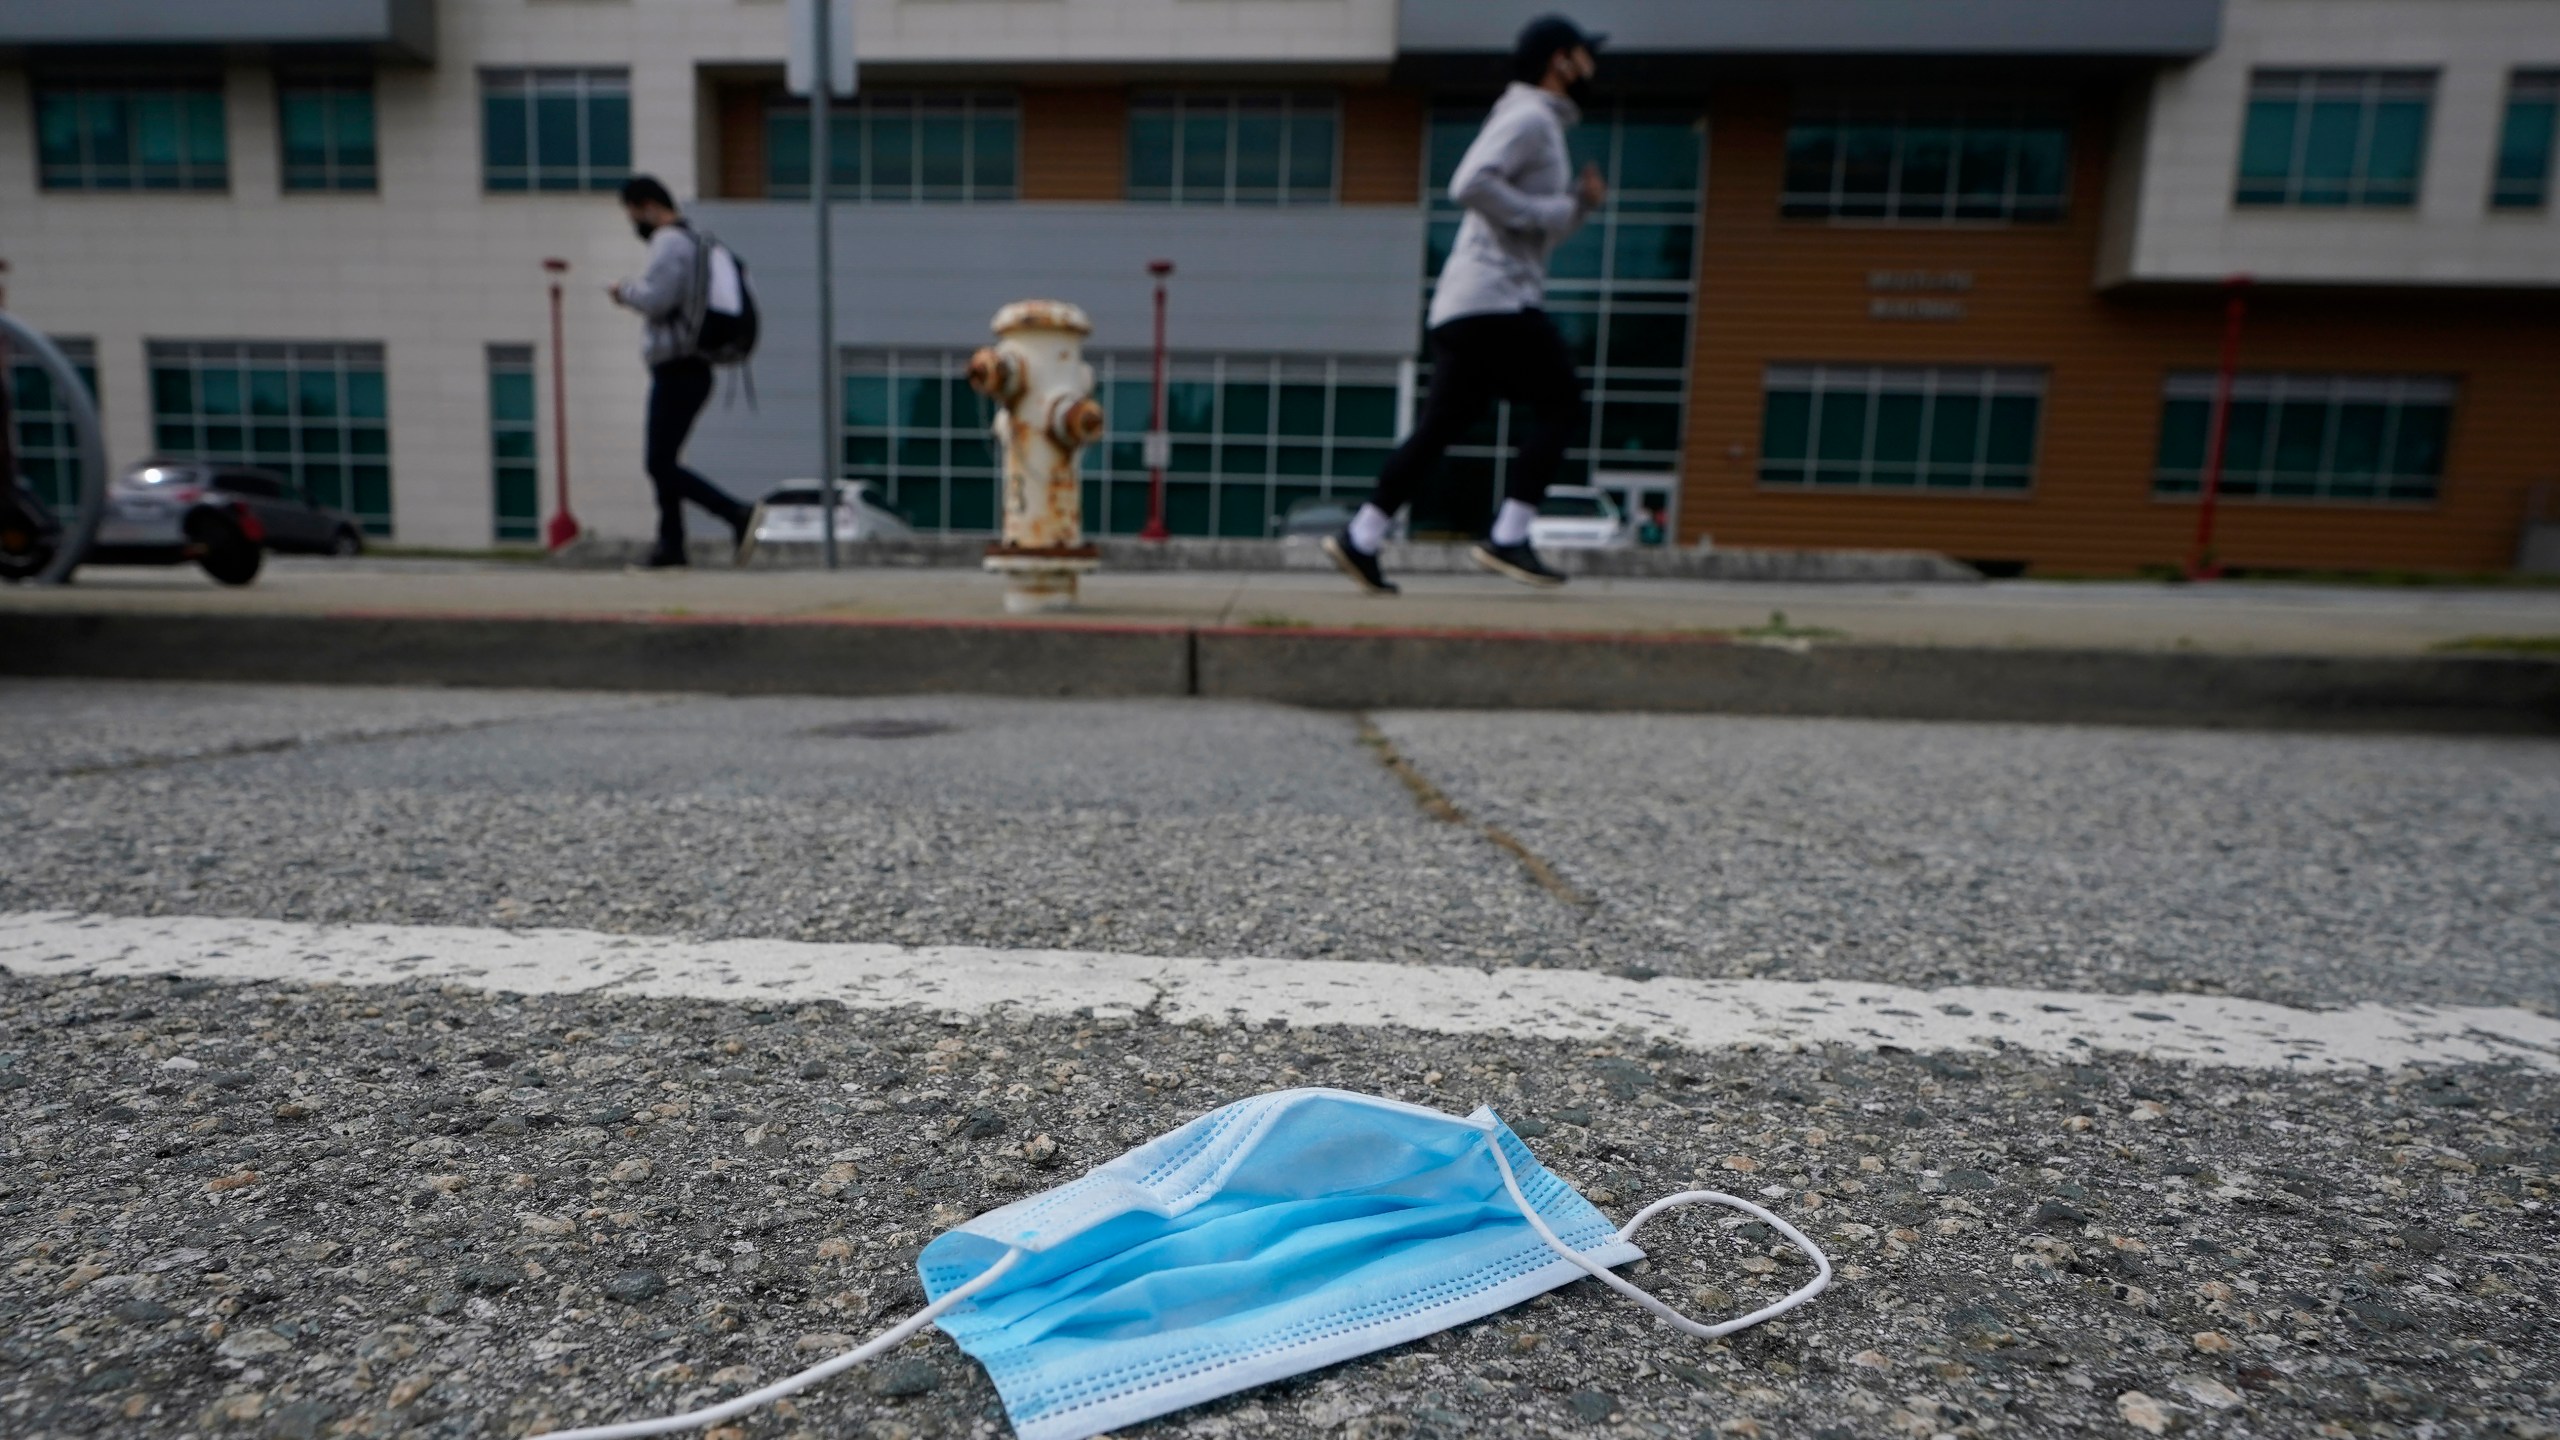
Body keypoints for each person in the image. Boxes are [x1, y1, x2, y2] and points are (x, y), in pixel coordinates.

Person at [1325, 14, 1605, 597]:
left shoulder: (1538, 122)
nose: (1592, 67)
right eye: (1584, 56)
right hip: (1495, 300)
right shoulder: (1529, 117)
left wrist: (1577, 206)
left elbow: (1536, 228)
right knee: (1561, 402)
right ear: (1560, 60)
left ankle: (1362, 535)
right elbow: (1470, 183)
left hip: (1472, 302)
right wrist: (1556, 209)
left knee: (1440, 428)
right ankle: (1508, 535)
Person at [609, 175, 755, 570]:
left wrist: (624, 291)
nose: (634, 223)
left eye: (633, 214)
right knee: (665, 460)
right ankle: (671, 545)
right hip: (691, 369)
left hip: (678, 368)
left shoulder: (670, 242)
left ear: (649, 207)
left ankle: (736, 514)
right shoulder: (692, 240)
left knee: (658, 463)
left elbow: (657, 299)